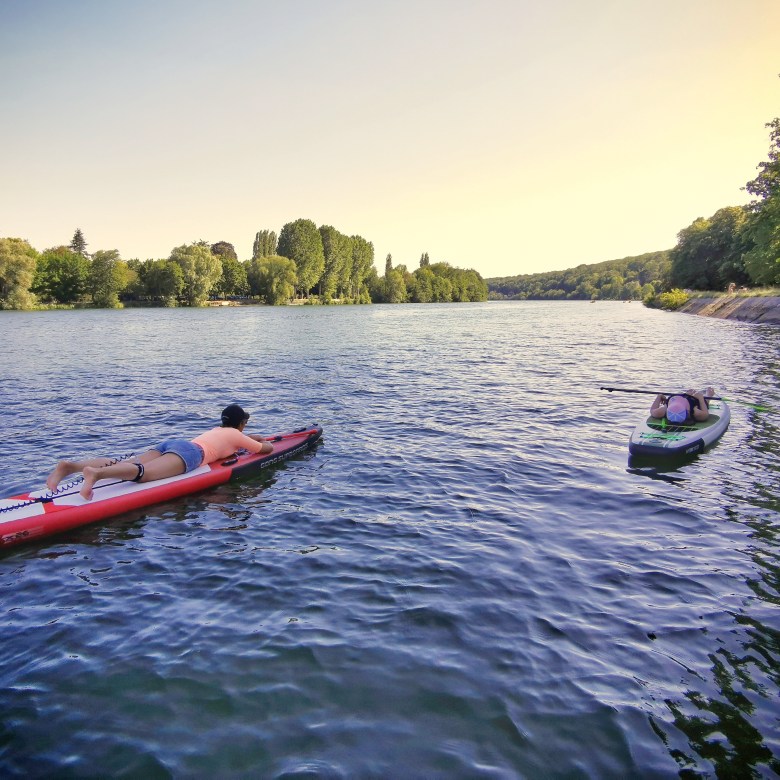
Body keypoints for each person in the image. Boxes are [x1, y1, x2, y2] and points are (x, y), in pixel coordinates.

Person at [46, 404, 274, 500]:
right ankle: (95, 474)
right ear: (241, 423)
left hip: (175, 443)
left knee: (131, 461)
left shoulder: (219, 431)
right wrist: (260, 440)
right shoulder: (236, 435)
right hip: (191, 455)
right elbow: (265, 449)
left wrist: (247, 438)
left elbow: (237, 440)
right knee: (142, 473)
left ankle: (70, 466)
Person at [650, 388, 714, 424]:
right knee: (703, 401)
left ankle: (689, 393)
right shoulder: (695, 412)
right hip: (687, 400)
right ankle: (708, 394)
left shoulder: (662, 411)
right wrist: (700, 398)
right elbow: (706, 414)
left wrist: (659, 396)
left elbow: (652, 410)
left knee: (701, 398)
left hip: (676, 398)